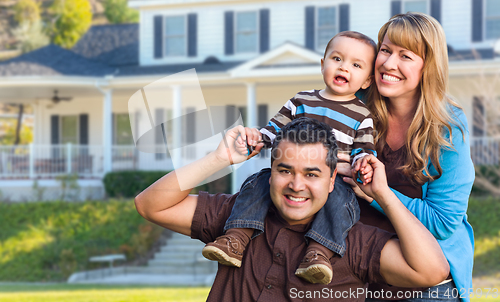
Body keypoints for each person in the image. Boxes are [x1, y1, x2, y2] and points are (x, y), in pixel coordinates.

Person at [134, 118, 450, 302]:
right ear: (269, 173)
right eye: (285, 170)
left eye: (311, 174)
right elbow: (149, 205)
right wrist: (219, 160)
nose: (296, 185)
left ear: (331, 181)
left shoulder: (350, 241)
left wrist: (382, 194)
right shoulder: (238, 219)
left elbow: (431, 271)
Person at [202, 31, 378, 285]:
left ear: (366, 81)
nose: (344, 67)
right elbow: (274, 129)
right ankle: (236, 238)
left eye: (356, 65)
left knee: (341, 202)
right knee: (258, 182)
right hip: (289, 172)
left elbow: (364, 149)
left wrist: (363, 163)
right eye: (337, 58)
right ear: (323, 64)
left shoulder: (362, 115)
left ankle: (319, 254)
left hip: (332, 179)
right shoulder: (301, 100)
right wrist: (257, 139)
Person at [335, 12, 474, 302]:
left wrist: (377, 194)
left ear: (428, 67)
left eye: (405, 56)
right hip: (360, 267)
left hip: (426, 281)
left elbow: (443, 222)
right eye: (385, 50)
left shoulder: (448, 129)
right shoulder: (353, 109)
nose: (389, 63)